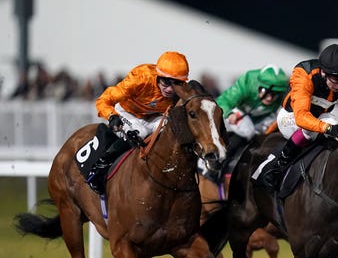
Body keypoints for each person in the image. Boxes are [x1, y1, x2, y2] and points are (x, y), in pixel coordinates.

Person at [253, 44, 338, 190]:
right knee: (312, 129)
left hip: (320, 117)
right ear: (323, 73)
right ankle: (279, 165)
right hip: (291, 117)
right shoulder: (304, 75)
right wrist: (328, 128)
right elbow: (301, 117)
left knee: (336, 124)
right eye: (337, 80)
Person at [87, 51, 190, 193]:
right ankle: (100, 166)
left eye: (176, 83)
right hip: (128, 113)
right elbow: (103, 100)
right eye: (166, 82)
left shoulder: (183, 91)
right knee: (140, 133)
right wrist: (111, 116)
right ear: (158, 76)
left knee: (172, 130)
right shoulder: (141, 77)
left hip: (154, 117)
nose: (170, 89)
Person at [210, 65, 289, 181]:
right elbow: (222, 101)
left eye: (275, 94)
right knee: (247, 131)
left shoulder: (282, 93)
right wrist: (229, 114)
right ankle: (217, 162)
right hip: (237, 113)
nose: (270, 98)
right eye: (266, 91)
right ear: (258, 85)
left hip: (263, 119)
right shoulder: (248, 82)